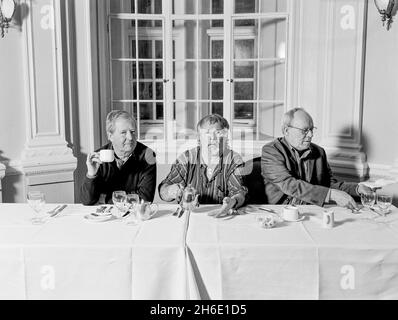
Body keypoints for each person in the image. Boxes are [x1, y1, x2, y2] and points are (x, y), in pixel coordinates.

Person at [261, 108, 374, 210]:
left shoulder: (319, 152)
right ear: (286, 131)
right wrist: (331, 195)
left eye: (311, 129)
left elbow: (328, 184)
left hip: (311, 210)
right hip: (279, 212)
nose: (310, 135)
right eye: (304, 130)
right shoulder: (271, 151)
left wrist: (357, 188)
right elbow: (289, 184)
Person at [159, 114, 247, 217]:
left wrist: (233, 201)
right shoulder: (186, 158)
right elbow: (163, 191)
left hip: (221, 215)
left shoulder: (234, 160)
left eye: (218, 133)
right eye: (207, 133)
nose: (213, 138)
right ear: (199, 137)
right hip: (190, 215)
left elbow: (239, 193)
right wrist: (170, 191)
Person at [81, 110, 156, 205]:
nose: (130, 137)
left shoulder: (148, 155)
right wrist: (91, 174)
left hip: (134, 216)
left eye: (132, 132)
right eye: (123, 132)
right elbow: (87, 201)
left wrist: (105, 199)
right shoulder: (98, 157)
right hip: (106, 217)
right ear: (110, 136)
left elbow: (145, 199)